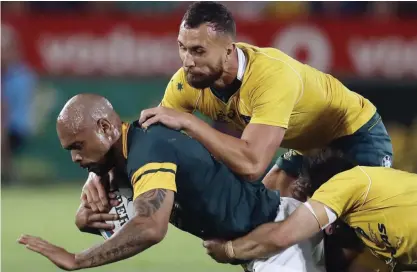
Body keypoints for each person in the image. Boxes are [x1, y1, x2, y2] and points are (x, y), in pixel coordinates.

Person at [17, 94, 326, 272]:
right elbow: (125, 223)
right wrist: (86, 220)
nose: (74, 157)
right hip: (261, 240)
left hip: (282, 239)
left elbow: (150, 227)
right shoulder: (123, 159)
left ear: (105, 127)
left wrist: (77, 259)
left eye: (78, 146)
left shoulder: (148, 150)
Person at [204, 149, 417, 272]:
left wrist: (229, 251)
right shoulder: (368, 219)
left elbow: (282, 235)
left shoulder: (346, 183)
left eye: (308, 199)